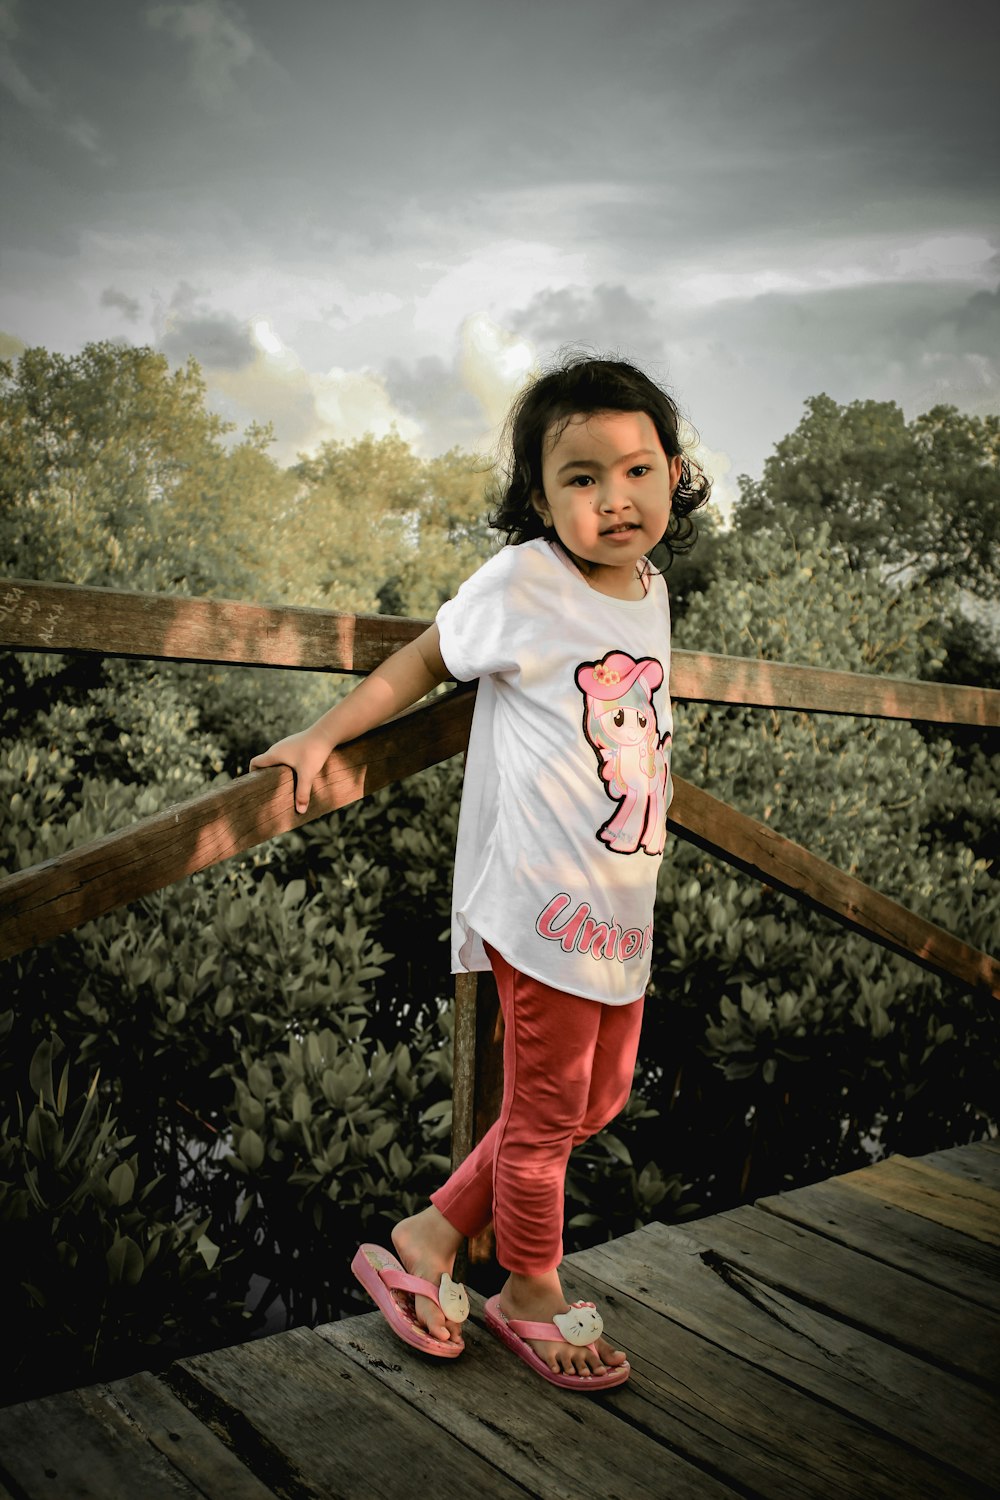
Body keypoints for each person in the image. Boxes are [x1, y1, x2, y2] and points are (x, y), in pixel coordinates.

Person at [250, 354, 710, 1391]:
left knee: (599, 1099)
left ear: (674, 475)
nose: (614, 498)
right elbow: (420, 662)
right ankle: (530, 1290)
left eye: (636, 471)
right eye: (581, 478)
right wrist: (322, 737)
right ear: (539, 498)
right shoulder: (521, 582)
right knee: (545, 1122)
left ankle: (428, 1235)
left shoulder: (651, 590)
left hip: (619, 902)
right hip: (541, 904)